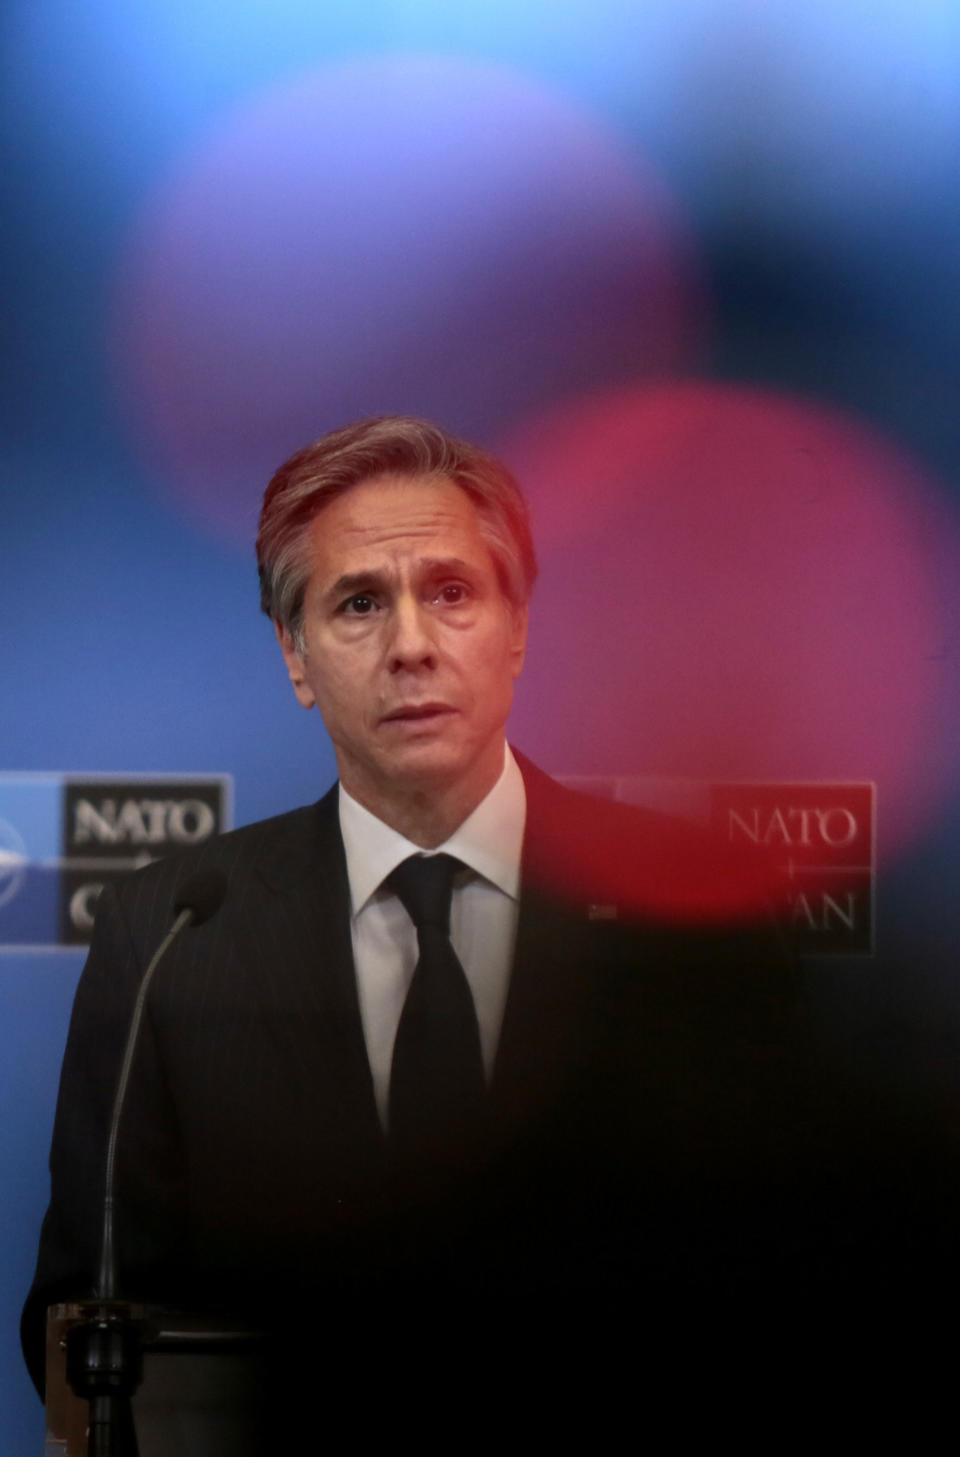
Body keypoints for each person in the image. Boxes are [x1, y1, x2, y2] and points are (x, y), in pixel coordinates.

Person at [23, 416, 842, 1432]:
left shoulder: (690, 916)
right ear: (295, 654)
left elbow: (790, 1289)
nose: (411, 644)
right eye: (359, 603)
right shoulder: (173, 931)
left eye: (451, 592)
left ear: (519, 626)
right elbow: (82, 1319)